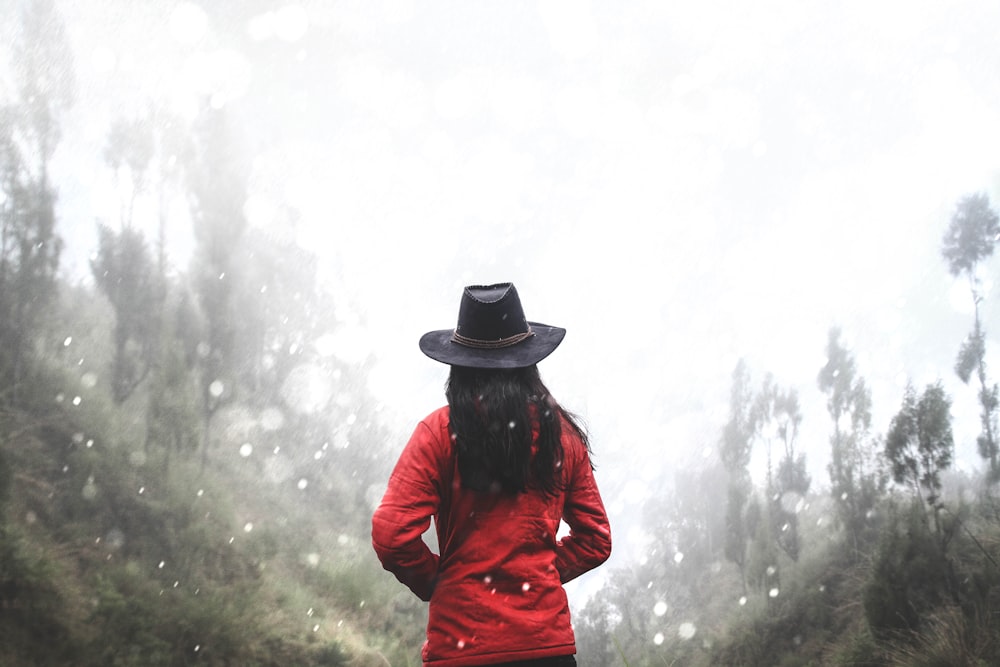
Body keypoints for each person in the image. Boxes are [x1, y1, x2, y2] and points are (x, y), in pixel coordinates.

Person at [372, 282, 612, 667]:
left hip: (462, 648)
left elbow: (391, 535)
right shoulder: (562, 437)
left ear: (458, 364)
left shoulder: (438, 433)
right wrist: (543, 574)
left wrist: (438, 581)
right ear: (529, 362)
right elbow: (595, 539)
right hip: (546, 649)